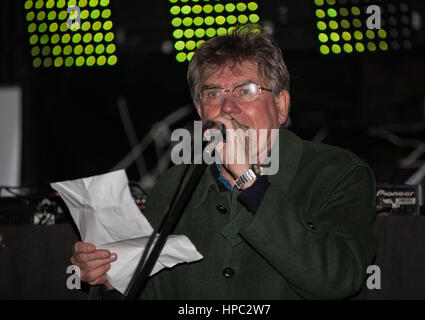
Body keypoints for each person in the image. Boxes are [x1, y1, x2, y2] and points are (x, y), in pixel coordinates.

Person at [71, 24, 376, 299]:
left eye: (246, 90)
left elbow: (339, 279)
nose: (228, 106)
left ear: (281, 106)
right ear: (201, 112)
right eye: (213, 93)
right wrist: (113, 280)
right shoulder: (173, 188)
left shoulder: (338, 173)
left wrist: (247, 178)